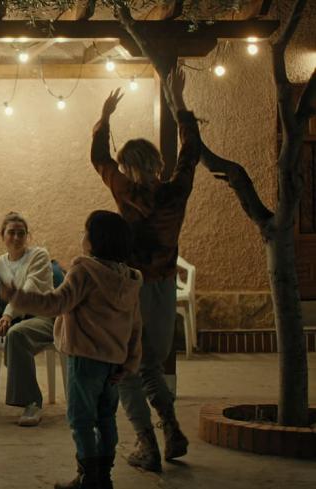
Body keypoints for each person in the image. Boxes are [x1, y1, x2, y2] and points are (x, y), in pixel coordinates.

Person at [92, 69, 198, 471]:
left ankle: (146, 444)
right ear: (157, 163)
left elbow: (99, 159)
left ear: (128, 165)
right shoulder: (176, 193)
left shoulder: (126, 191)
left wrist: (105, 119)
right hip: (164, 288)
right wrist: (179, 103)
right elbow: (191, 152)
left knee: (127, 369)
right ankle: (172, 429)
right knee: (151, 363)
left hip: (130, 289)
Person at [0, 210, 142, 489]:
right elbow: (136, 324)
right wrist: (130, 362)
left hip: (85, 360)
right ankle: (104, 477)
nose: (82, 236)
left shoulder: (84, 271)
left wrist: (16, 297)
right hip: (115, 363)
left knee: (81, 420)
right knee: (106, 418)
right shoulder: (130, 279)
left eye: (85, 231)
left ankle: (88, 477)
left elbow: (56, 303)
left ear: (96, 239)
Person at [0, 212, 55, 426]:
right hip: (8, 319)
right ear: (1, 236)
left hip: (42, 317)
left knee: (16, 334)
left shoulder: (39, 255)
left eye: (21, 233)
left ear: (28, 236)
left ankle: (32, 403)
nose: (16, 237)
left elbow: (29, 288)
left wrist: (7, 314)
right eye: (11, 232)